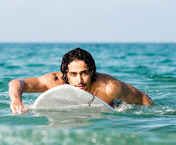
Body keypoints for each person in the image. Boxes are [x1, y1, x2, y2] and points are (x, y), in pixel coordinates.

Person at [9, 47, 153, 113]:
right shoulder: (54, 81)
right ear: (66, 74)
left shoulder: (109, 87)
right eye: (74, 74)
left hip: (107, 106)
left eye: (84, 73)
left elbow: (142, 98)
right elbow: (16, 83)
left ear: (92, 71)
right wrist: (16, 100)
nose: (79, 80)